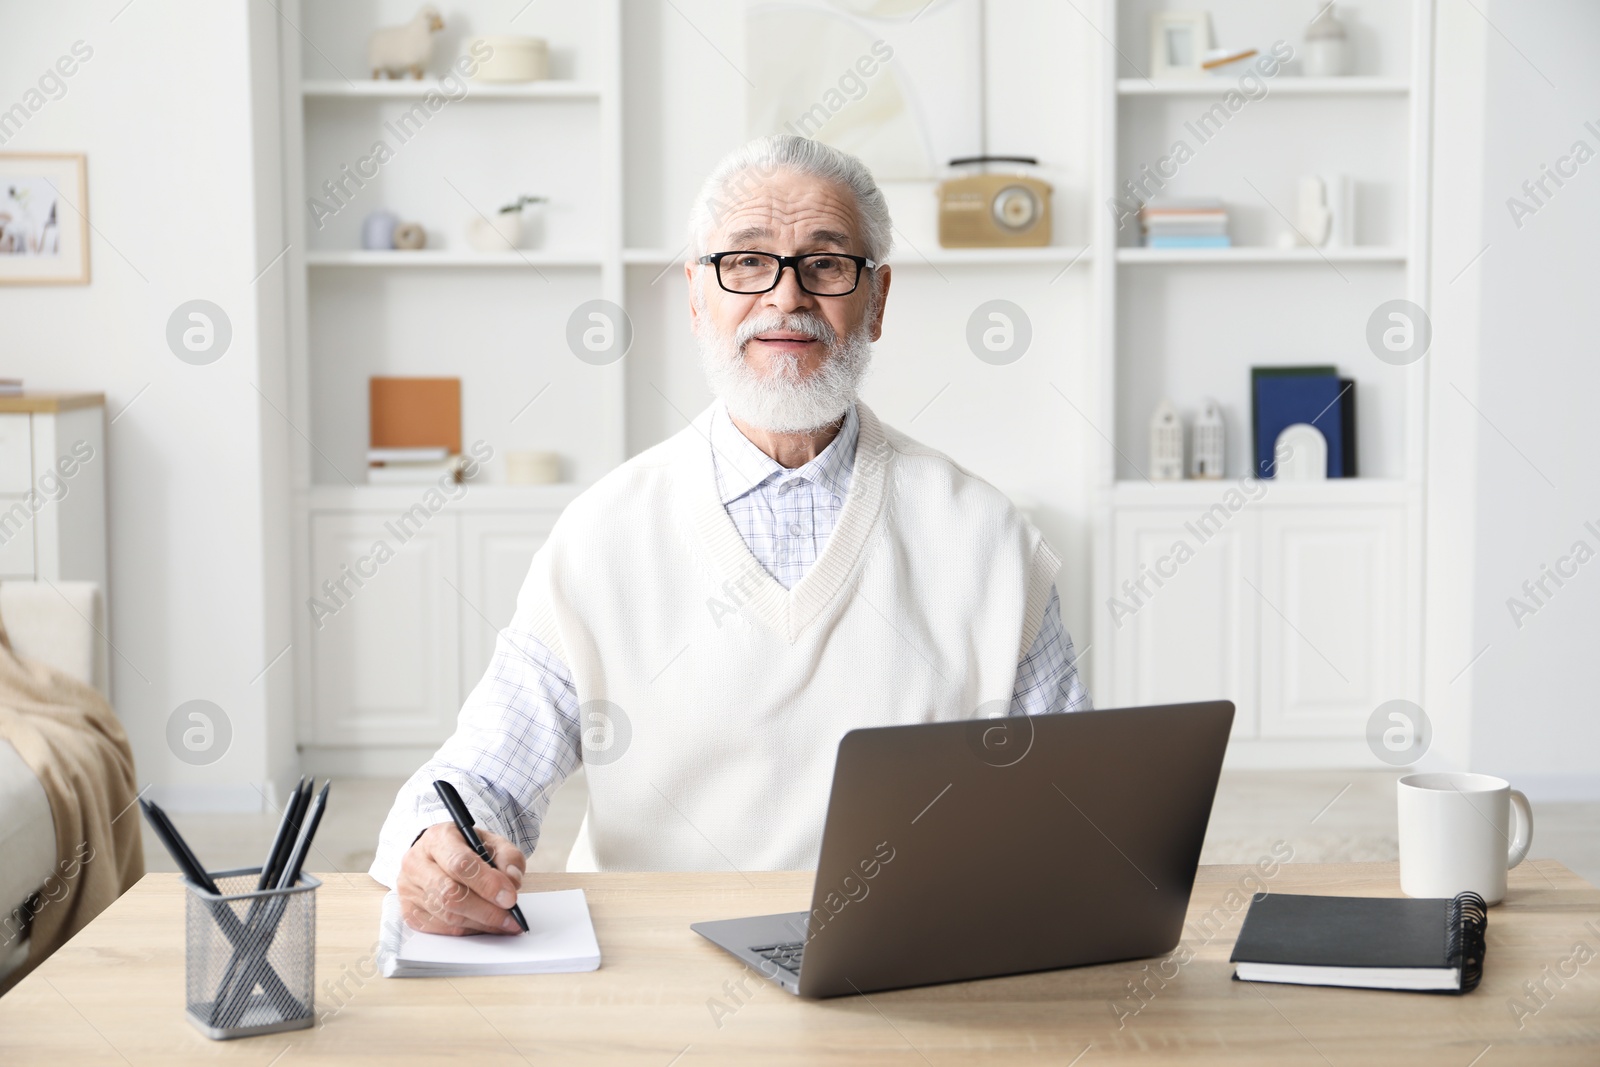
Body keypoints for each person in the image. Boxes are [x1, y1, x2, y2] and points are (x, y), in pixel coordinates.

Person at [370, 134, 1091, 936]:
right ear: (695, 296)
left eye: (825, 263)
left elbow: (1069, 811)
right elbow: (480, 774)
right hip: (653, 976)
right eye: (746, 262)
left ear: (878, 299)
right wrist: (433, 845)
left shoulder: (988, 538)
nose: (785, 298)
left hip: (903, 967)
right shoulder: (602, 535)